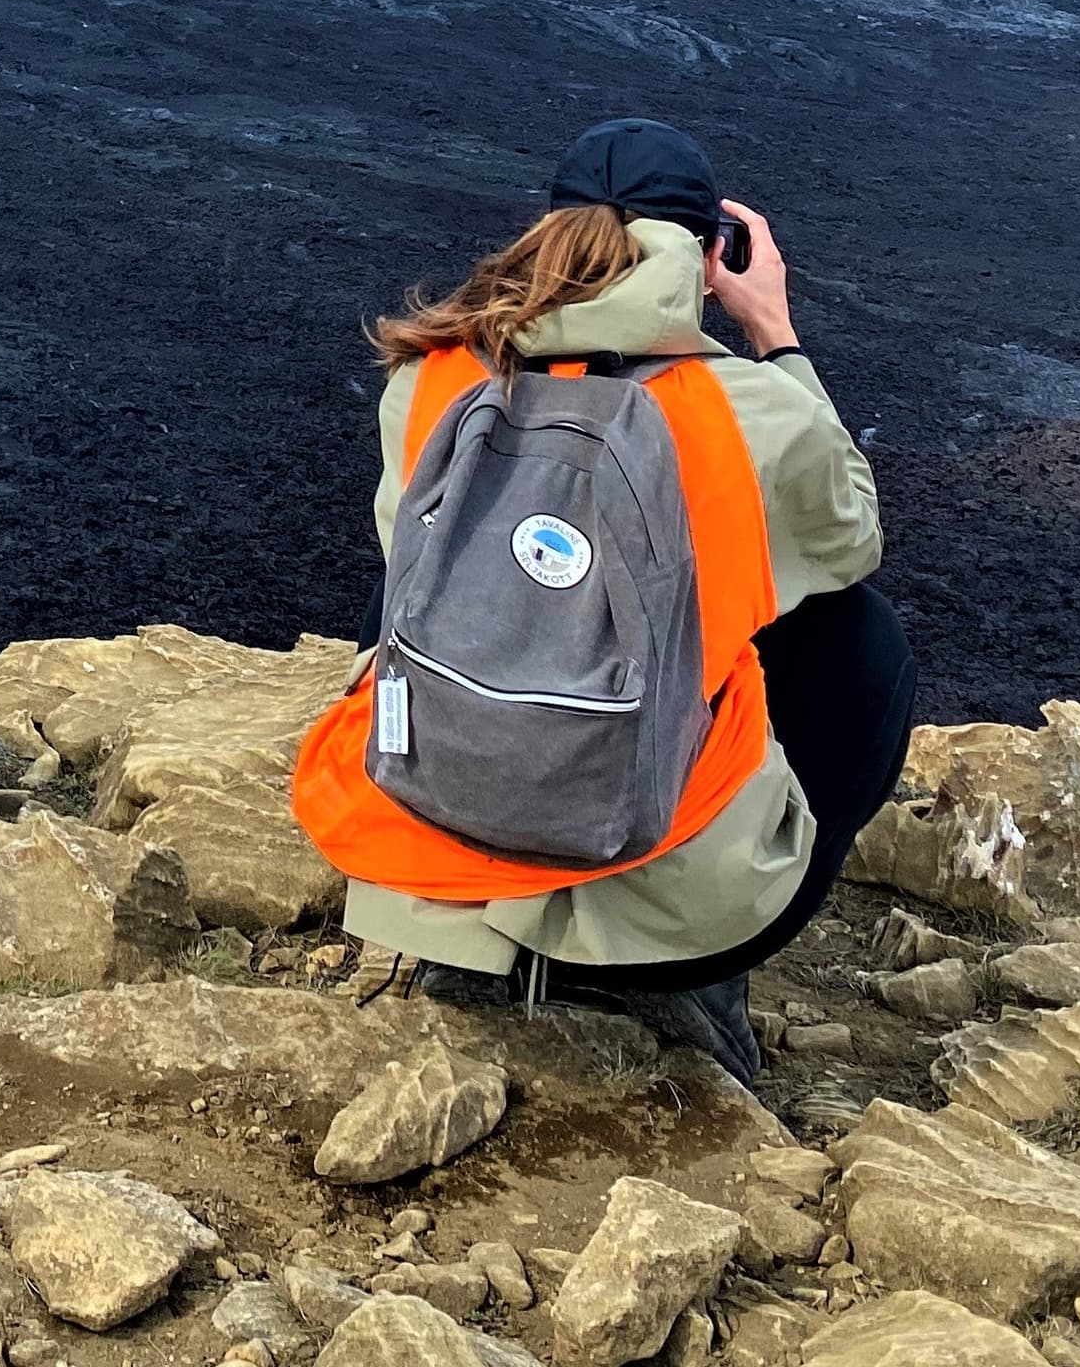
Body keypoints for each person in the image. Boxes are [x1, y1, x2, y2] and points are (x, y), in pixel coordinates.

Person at [289, 117, 916, 1082]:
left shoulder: (429, 375)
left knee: (424, 577)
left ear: (551, 231)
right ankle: (676, 964)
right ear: (713, 256)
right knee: (859, 640)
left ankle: (461, 921)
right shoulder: (747, 410)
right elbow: (850, 537)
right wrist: (776, 336)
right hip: (668, 907)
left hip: (409, 855)